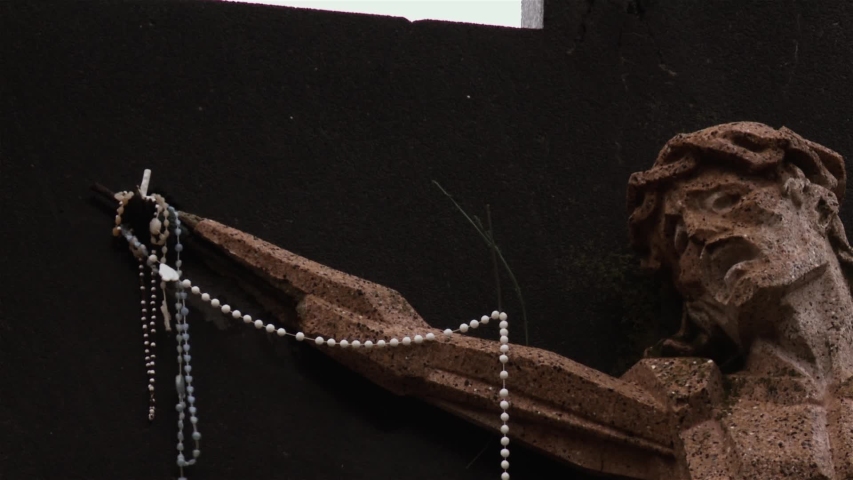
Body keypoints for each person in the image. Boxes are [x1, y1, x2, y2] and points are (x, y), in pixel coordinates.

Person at [627, 121, 853, 479]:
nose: (703, 235)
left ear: (815, 208)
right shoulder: (687, 408)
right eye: (681, 241)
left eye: (727, 201)